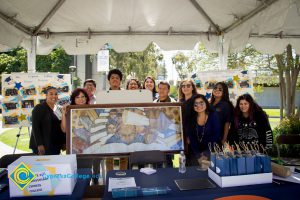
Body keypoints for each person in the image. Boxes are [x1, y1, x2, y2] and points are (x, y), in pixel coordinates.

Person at [186, 94, 221, 166]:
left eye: (201, 102)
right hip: (195, 152)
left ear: (206, 103)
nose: (199, 106)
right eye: (196, 104)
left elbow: (216, 135)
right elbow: (192, 138)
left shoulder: (213, 116)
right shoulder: (190, 118)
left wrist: (205, 154)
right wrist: (199, 156)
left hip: (211, 151)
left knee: (208, 172)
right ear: (193, 106)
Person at [29, 87, 66, 155]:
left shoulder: (58, 109)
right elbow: (35, 127)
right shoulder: (39, 108)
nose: (54, 96)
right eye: (51, 94)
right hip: (44, 147)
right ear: (46, 96)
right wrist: (39, 145)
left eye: (56, 94)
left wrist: (63, 142)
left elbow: (61, 127)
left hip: (55, 146)